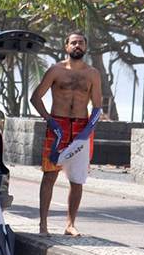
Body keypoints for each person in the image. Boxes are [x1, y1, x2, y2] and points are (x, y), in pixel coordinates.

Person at [30, 30, 102, 237]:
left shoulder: (92, 74)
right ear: (66, 47)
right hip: (58, 126)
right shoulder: (55, 70)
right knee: (50, 175)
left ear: (85, 47)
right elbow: (36, 97)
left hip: (81, 127)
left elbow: (97, 106)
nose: (77, 46)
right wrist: (49, 119)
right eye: (73, 43)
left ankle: (70, 224)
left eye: (81, 43)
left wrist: (87, 131)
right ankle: (43, 225)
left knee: (77, 179)